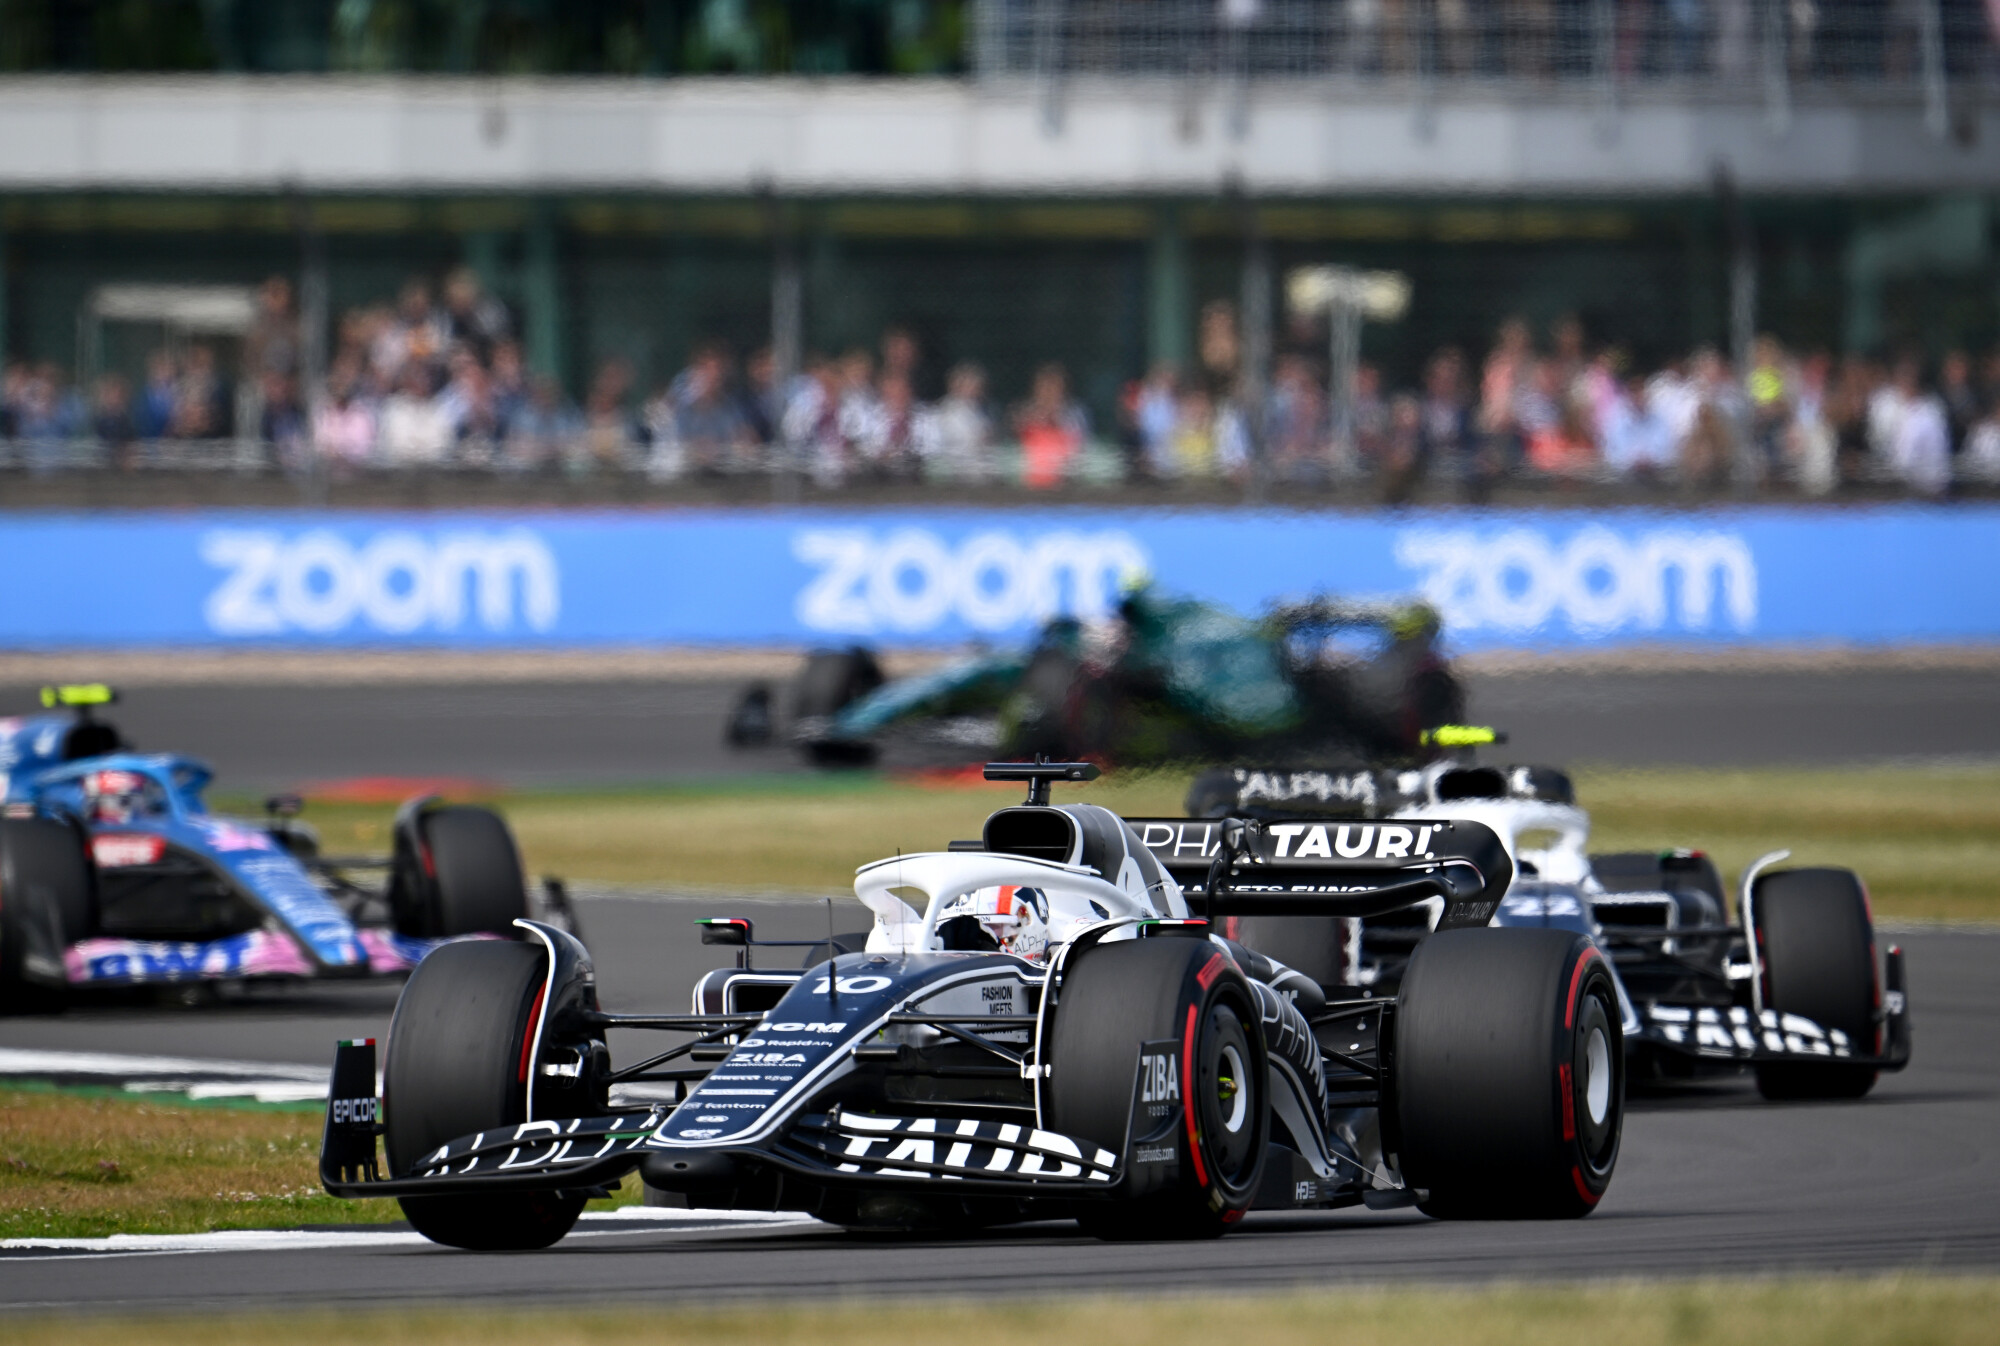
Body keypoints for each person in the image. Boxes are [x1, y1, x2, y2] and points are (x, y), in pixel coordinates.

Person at [1013, 363, 1088, 490]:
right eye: (1045, 386)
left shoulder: (1074, 412)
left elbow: (1079, 443)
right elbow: (1015, 430)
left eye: (1054, 386)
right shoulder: (1027, 412)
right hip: (1033, 482)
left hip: (1065, 482)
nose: (1050, 391)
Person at [915, 361, 992, 483]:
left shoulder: (979, 411)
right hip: (955, 472)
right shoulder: (944, 412)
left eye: (977, 384)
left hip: (979, 470)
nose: (975, 388)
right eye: (970, 384)